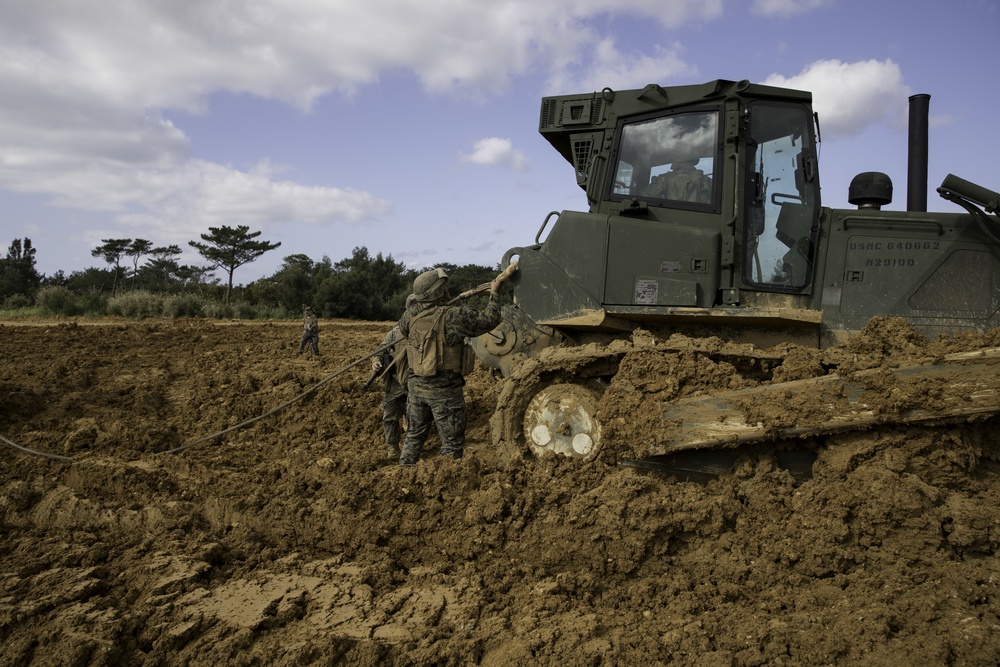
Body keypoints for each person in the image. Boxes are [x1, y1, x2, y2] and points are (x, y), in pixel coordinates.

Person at [395, 267, 504, 465]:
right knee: (451, 444)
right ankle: (447, 482)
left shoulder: (408, 316)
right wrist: (495, 293)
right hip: (444, 391)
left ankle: (404, 473)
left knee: (414, 437)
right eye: (443, 288)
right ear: (438, 292)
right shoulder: (453, 316)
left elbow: (403, 329)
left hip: (416, 389)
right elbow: (489, 320)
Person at [370, 295, 415, 459]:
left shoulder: (426, 331)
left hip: (416, 383)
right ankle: (394, 449)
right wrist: (376, 361)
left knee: (414, 418)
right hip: (395, 383)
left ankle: (410, 451)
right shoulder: (395, 333)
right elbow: (380, 350)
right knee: (389, 415)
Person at [643, 158, 713, 204]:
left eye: (674, 160)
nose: (672, 165)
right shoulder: (705, 180)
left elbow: (645, 196)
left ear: (681, 161)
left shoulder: (665, 178)